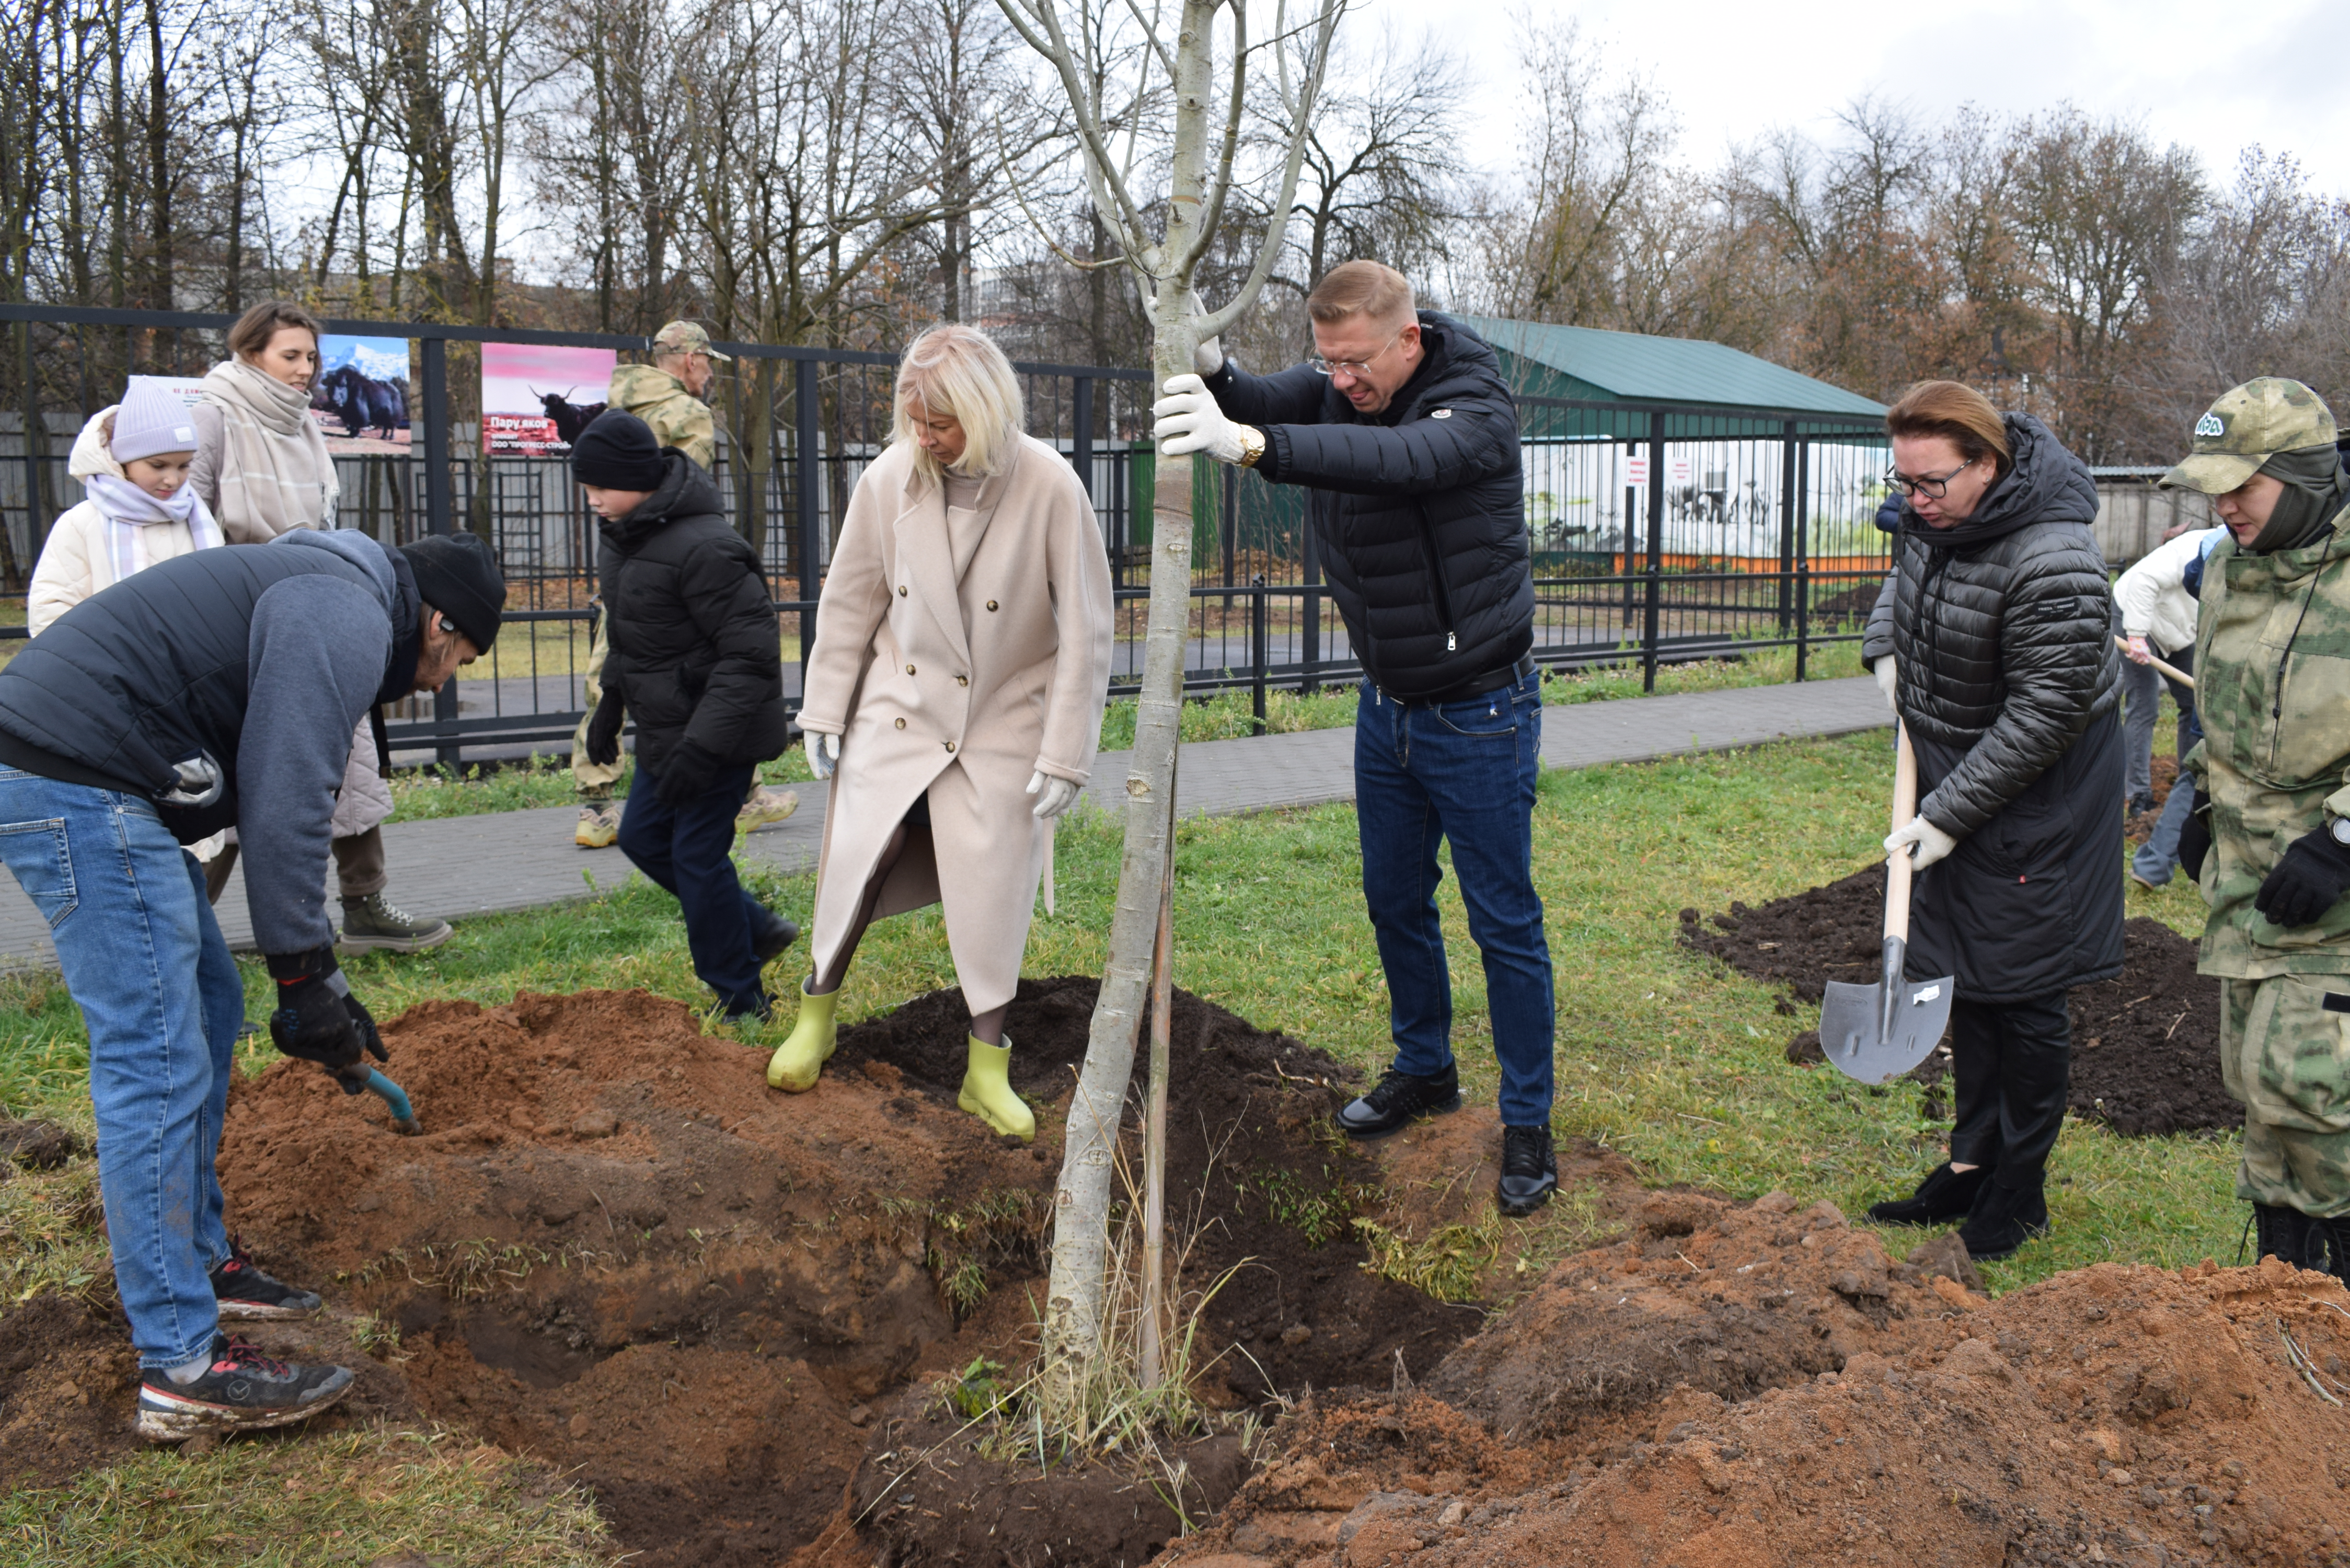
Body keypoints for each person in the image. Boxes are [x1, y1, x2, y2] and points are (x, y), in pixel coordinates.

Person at [0, 523, 504, 1440]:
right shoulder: (347, 614)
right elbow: (285, 796)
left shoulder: (335, 585)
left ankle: (197, 1261)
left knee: (207, 1003)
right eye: (458, 659)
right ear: (438, 624)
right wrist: (305, 974)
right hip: (71, 780)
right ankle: (182, 1367)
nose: (441, 684)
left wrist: (313, 975)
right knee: (155, 1052)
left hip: (89, 773)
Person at [1149, 260, 1558, 1215]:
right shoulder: (1342, 381)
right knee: (1392, 901)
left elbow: (1398, 461)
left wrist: (1252, 445)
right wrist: (1211, 364)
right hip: (1389, 711)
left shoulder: (1472, 406)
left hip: (1481, 710)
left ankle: (1528, 1120)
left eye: (1357, 363)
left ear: (1406, 340)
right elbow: (1256, 399)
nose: (1341, 381)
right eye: (1327, 361)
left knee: (1503, 922)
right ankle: (1426, 1067)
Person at [765, 324, 1113, 1141]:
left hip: (1000, 722)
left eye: (943, 424)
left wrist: (1066, 752)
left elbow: (1090, 632)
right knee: (860, 858)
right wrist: (822, 709)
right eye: (915, 421)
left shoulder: (1051, 486)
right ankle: (815, 1016)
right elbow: (851, 601)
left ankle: (985, 1070)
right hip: (901, 710)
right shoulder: (889, 480)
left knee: (992, 895)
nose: (925, 438)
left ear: (987, 412)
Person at [1858, 380, 2123, 1262]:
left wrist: (1947, 815)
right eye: (1904, 482)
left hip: (2031, 800)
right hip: (1957, 776)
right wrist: (1885, 646)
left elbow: (2045, 715)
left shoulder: (2055, 561)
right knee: (1966, 981)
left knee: (2023, 994)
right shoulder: (1940, 518)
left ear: (1989, 464)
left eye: (1930, 483)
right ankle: (1970, 1165)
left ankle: (2020, 1191)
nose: (1914, 501)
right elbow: (1906, 577)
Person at [2159, 378, 2350, 1281]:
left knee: (2323, 1099)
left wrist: (2344, 841)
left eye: (2244, 485)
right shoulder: (2231, 566)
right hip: (2248, 891)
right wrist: (2201, 795)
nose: (2223, 505)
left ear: (2305, 480)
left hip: (2336, 901)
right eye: (2214, 488)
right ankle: (2284, 1298)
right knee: (2262, 1093)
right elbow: (2223, 709)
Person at [191, 299, 449, 954]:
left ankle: (365, 904)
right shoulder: (211, 414)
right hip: (237, 614)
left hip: (313, 602)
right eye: (290, 356)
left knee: (348, 756)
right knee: (235, 771)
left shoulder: (308, 425)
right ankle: (182, 927)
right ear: (251, 354)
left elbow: (321, 524)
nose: (305, 370)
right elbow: (184, 520)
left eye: (311, 357)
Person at [574, 410, 800, 1020]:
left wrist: (702, 750)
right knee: (646, 837)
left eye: (599, 486)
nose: (591, 499)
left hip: (719, 736)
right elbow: (631, 639)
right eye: (585, 488)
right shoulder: (623, 538)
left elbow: (750, 659)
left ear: (637, 479)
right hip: (666, 731)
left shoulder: (708, 548)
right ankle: (754, 928)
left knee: (696, 858)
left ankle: (741, 997)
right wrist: (609, 710)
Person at [576, 320, 797, 849]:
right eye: (706, 364)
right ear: (691, 359)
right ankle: (742, 793)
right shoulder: (688, 414)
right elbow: (681, 494)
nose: (707, 375)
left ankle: (596, 803)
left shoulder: (613, 409)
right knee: (702, 668)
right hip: (673, 573)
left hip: (622, 562)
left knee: (610, 671)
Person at [27, 379, 224, 635]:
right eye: (158, 465)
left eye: (184, 465)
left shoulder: (199, 517)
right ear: (123, 461)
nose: (173, 480)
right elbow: (51, 611)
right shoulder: (80, 523)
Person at [2116, 523, 2222, 888]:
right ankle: (2139, 793)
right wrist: (2136, 635)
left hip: (2178, 632)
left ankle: (2188, 774)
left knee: (2193, 706)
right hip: (2134, 614)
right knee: (2144, 706)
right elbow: (2144, 580)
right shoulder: (2198, 548)